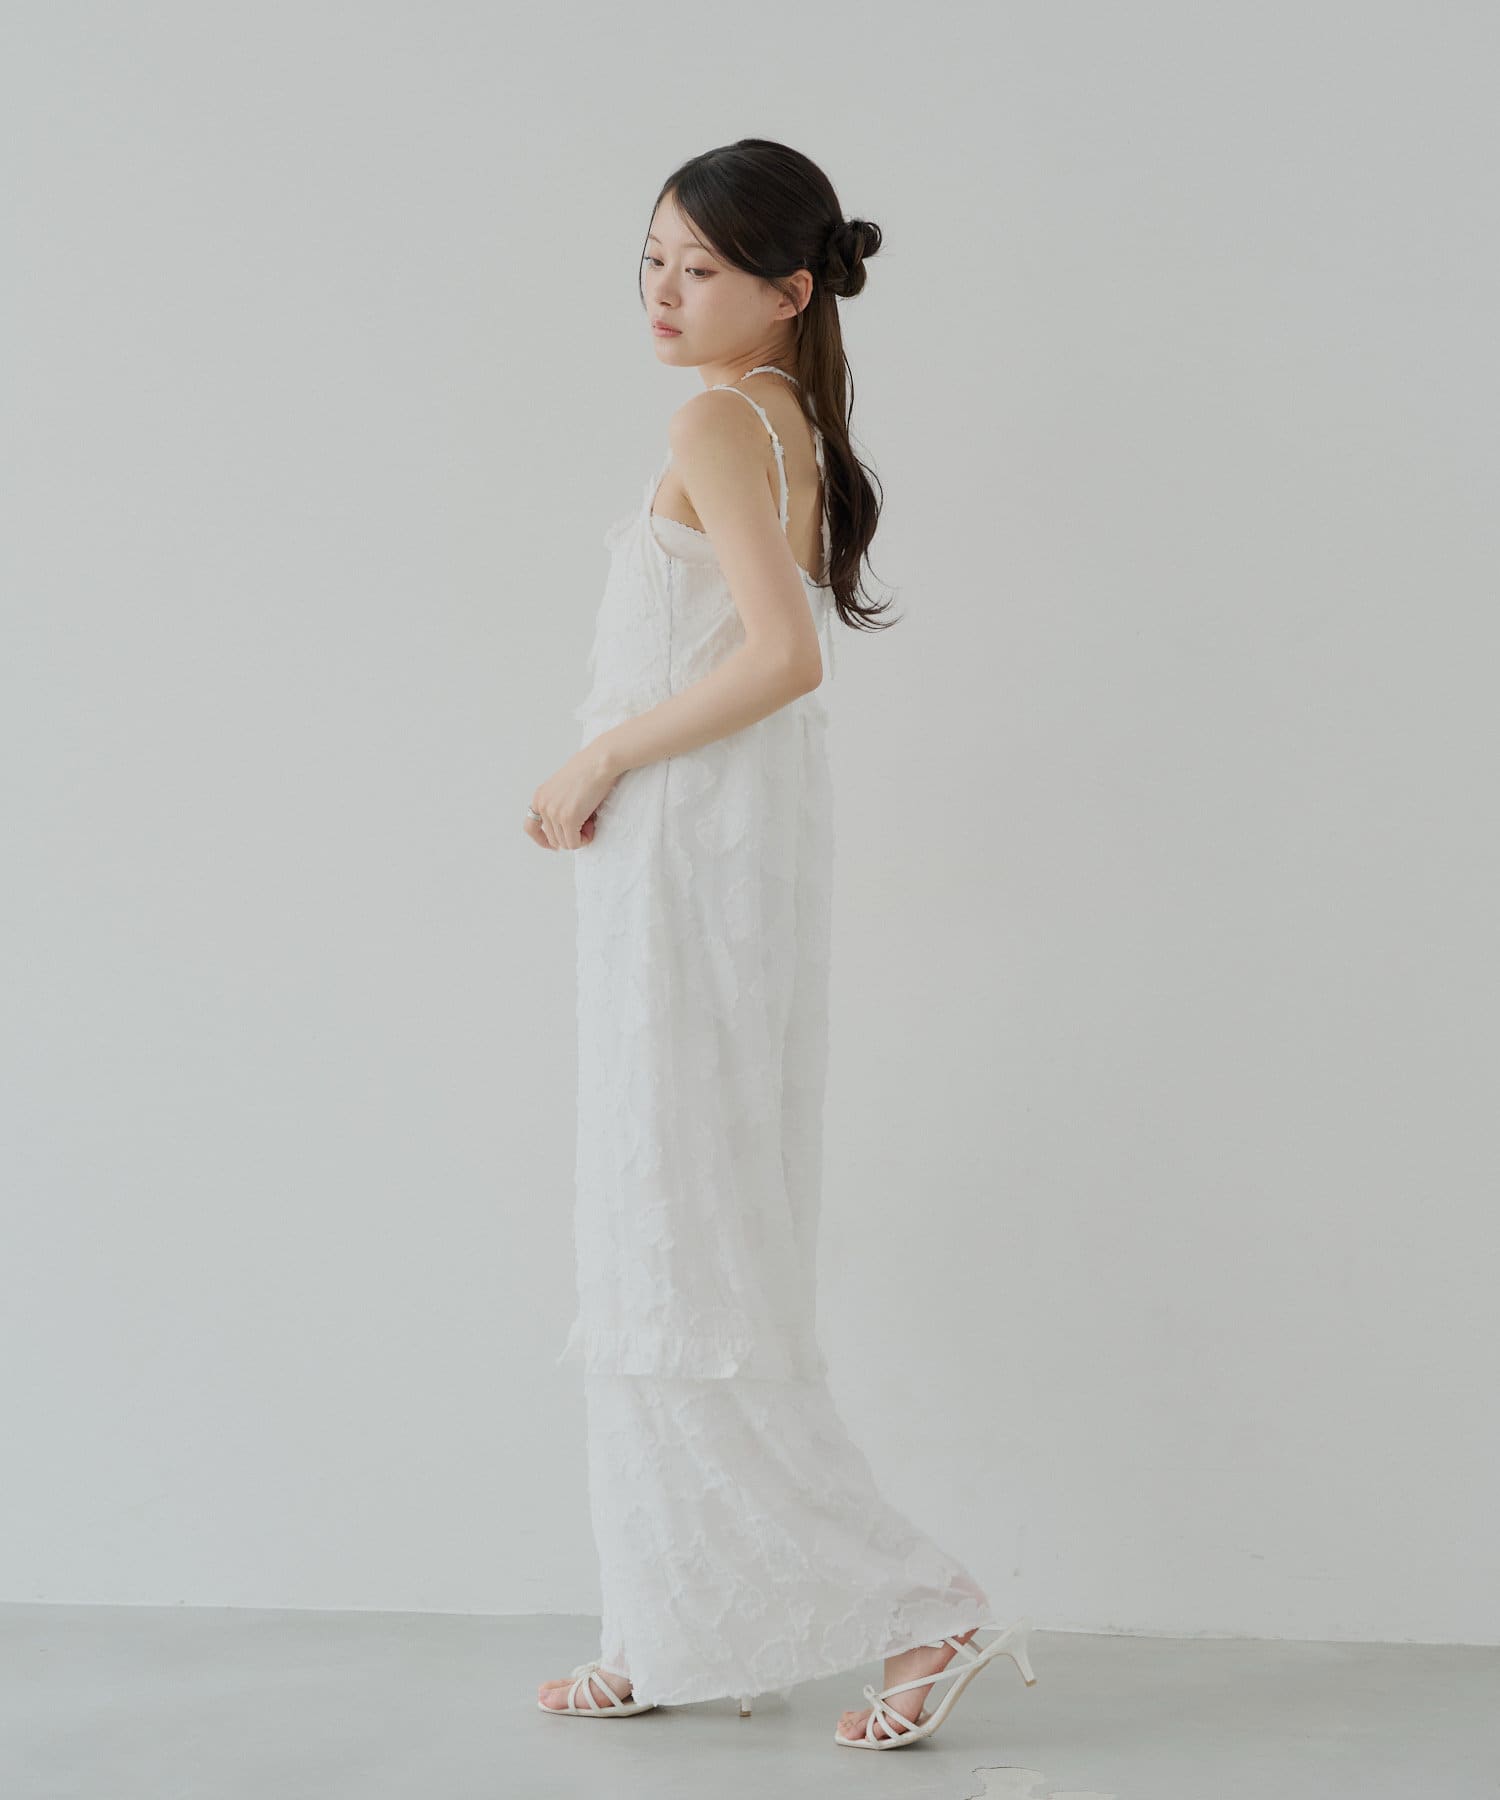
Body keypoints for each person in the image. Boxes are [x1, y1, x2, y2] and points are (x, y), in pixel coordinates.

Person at [523, 138, 1037, 1750]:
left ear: (790, 290)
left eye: (700, 269)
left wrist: (599, 754)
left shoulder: (716, 421)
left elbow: (780, 657)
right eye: (652, 261)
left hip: (688, 865)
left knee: (675, 1237)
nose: (663, 293)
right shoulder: (777, 418)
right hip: (710, 865)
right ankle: (665, 1620)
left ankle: (921, 1605)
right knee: (677, 1232)